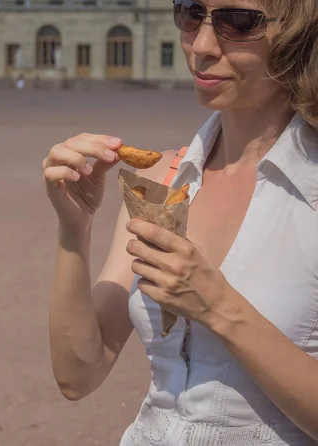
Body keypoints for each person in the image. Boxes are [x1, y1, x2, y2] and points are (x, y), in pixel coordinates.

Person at [41, 0, 318, 444]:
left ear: (302, 31)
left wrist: (218, 307)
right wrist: (74, 229)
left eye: (238, 22)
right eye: (192, 13)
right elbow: (79, 373)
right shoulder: (160, 180)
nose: (201, 46)